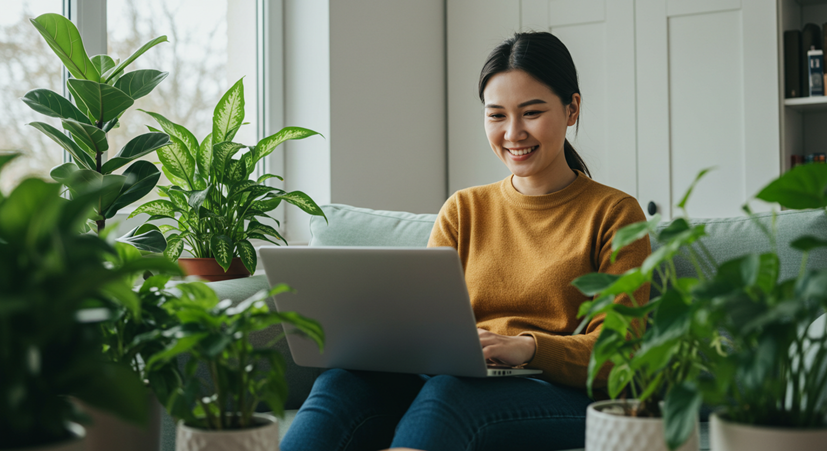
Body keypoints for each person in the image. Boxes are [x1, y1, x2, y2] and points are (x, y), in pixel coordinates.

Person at [280, 31, 650, 451]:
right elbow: (426, 324)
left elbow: (620, 353)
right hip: (456, 378)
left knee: (451, 394)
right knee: (341, 383)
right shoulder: (463, 209)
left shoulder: (615, 214)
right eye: (496, 116)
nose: (513, 133)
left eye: (531, 113)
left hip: (559, 393)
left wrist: (527, 348)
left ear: (572, 109)